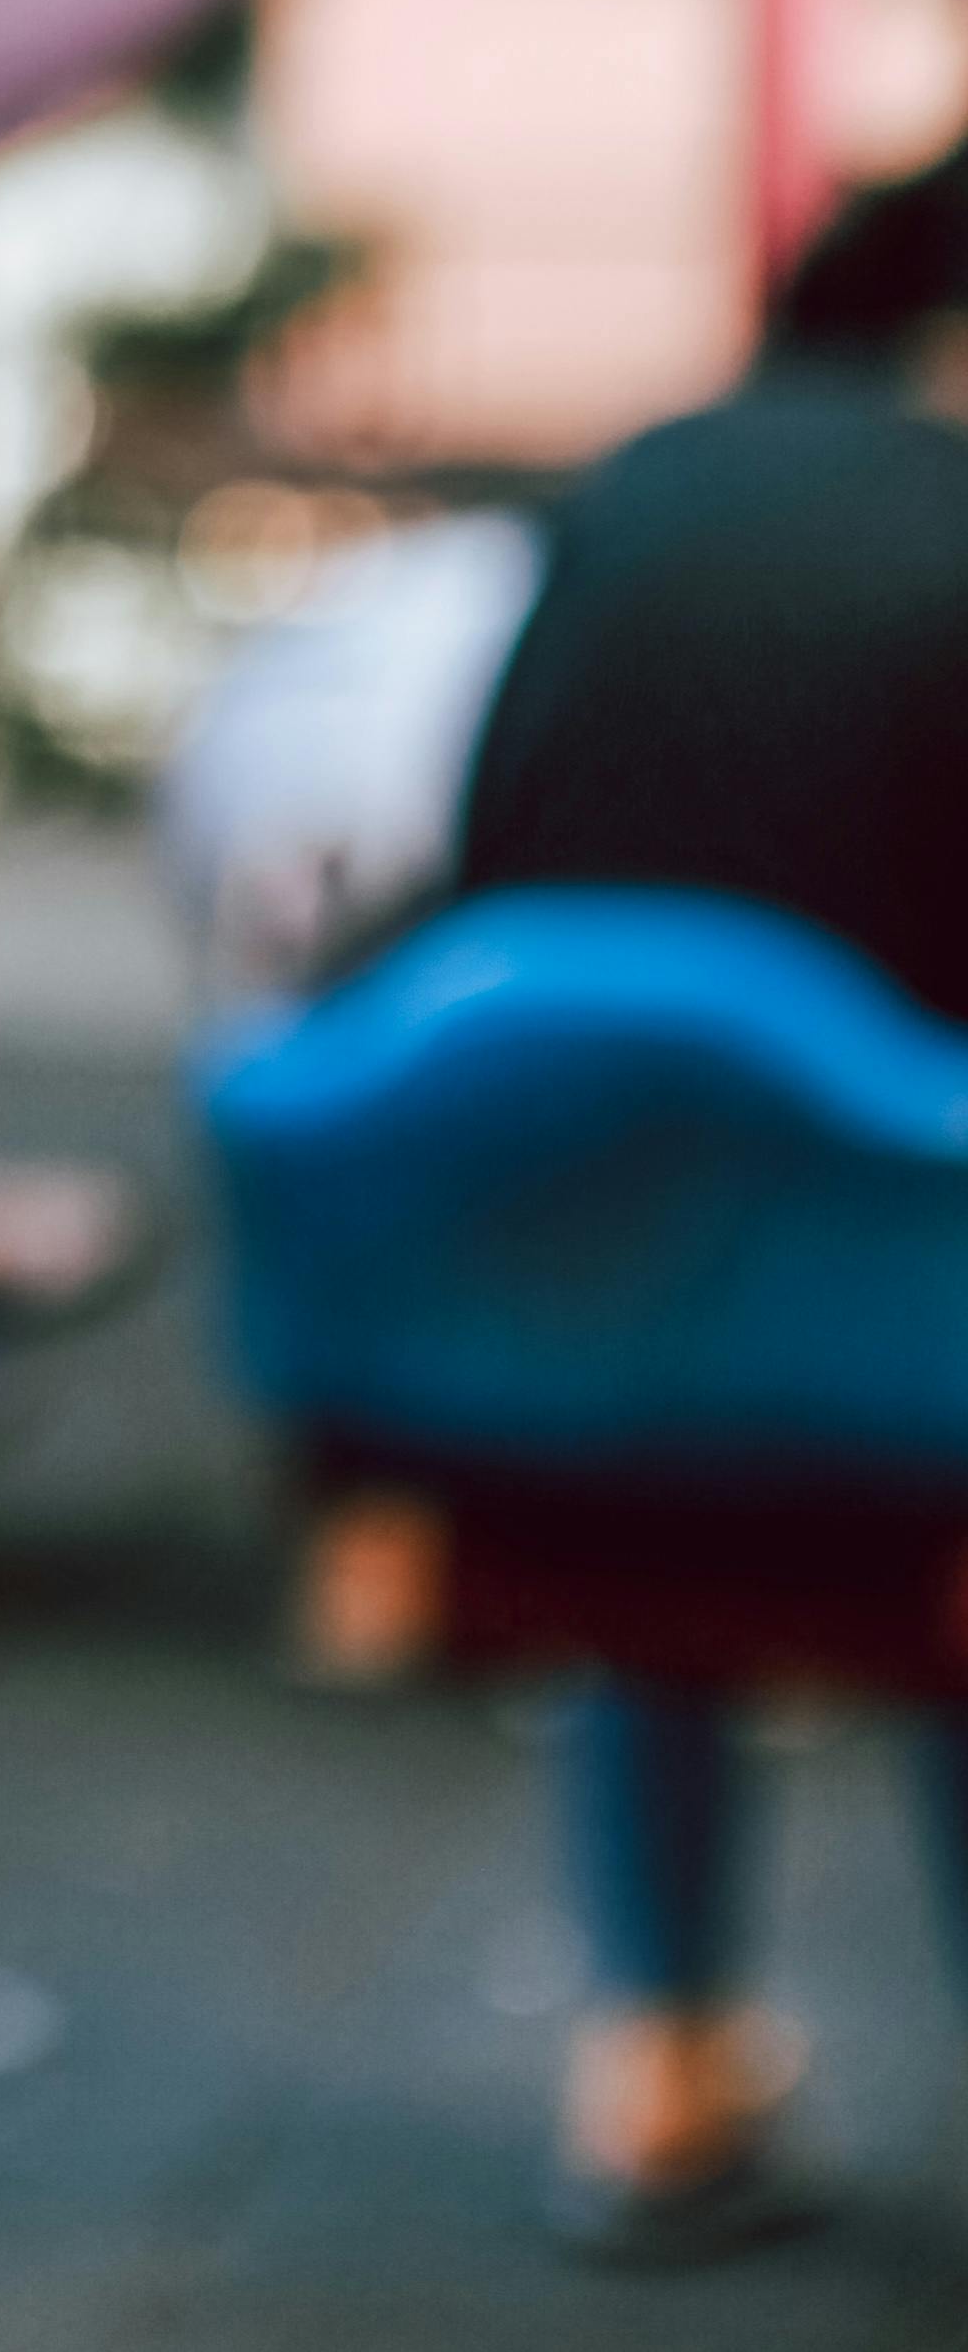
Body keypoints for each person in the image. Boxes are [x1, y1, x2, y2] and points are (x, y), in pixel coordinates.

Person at [448, 136, 968, 2269]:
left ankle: (656, 2072)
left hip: (564, 1297)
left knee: (655, 1544)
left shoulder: (635, 490)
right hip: (889, 1305)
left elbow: (494, 842)